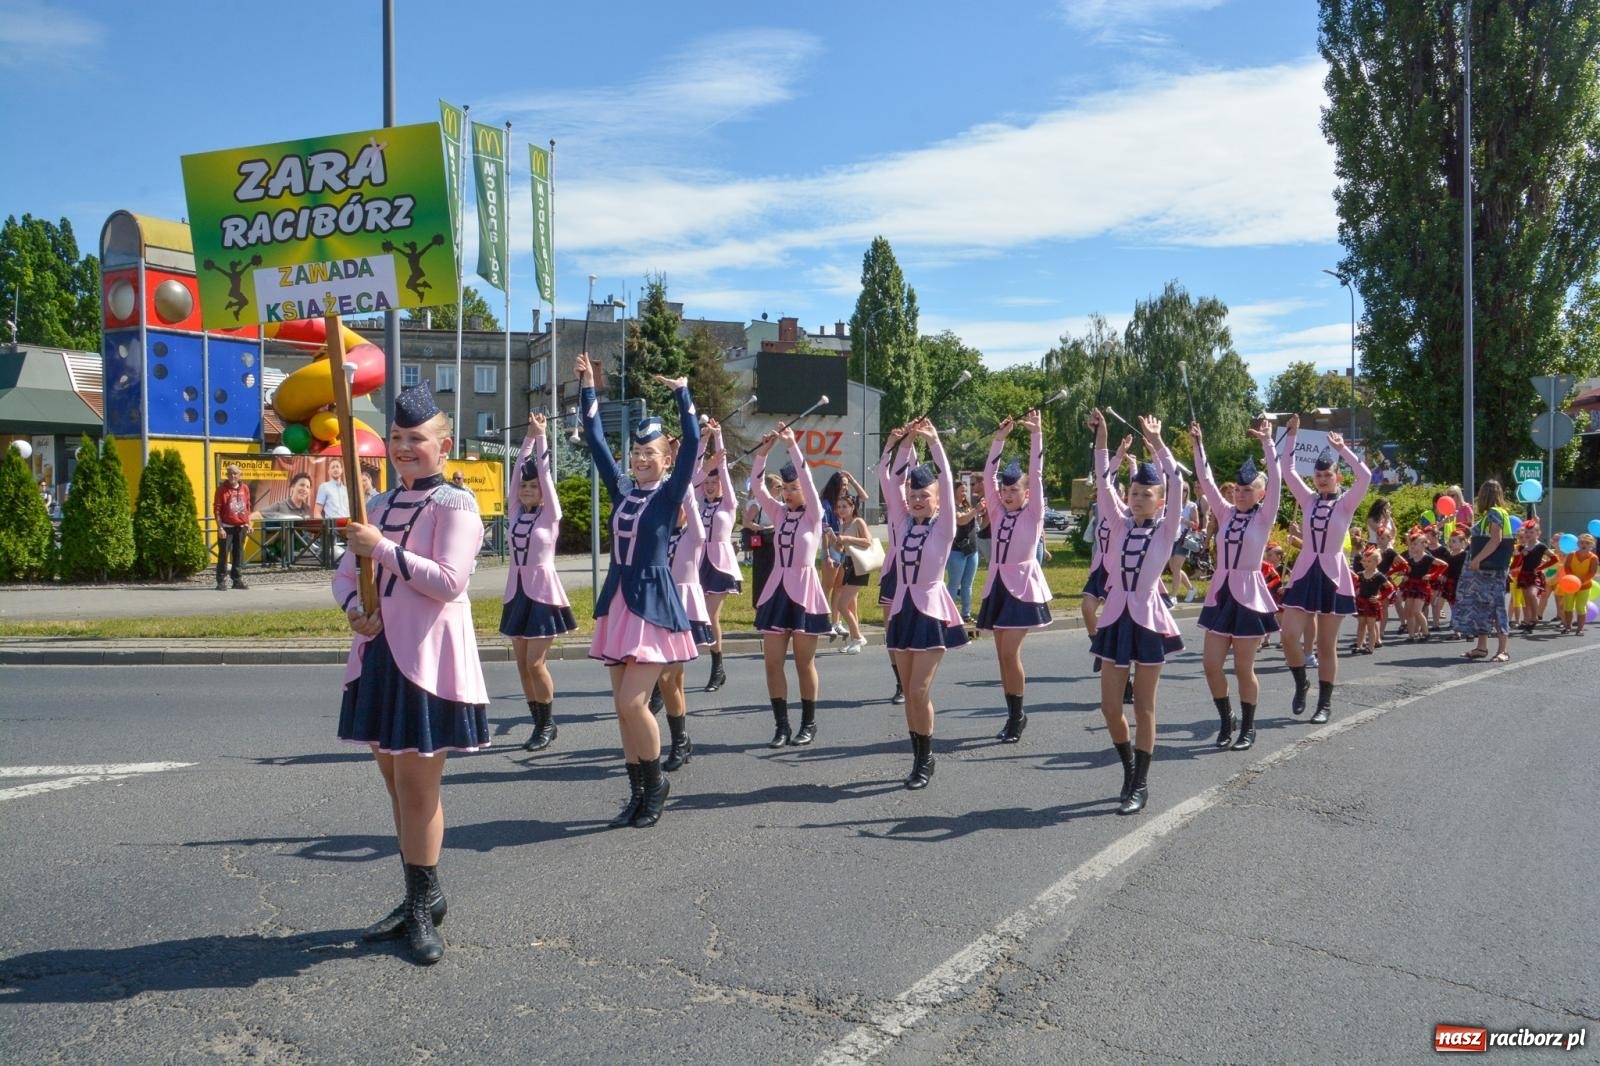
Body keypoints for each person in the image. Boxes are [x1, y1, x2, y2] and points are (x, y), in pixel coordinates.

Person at [336, 382, 488, 966]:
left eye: (416, 439)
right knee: (396, 785)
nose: (404, 448)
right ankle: (419, 894)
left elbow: (450, 581)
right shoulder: (375, 507)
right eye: (396, 438)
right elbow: (345, 575)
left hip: (427, 662)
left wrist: (382, 551)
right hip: (379, 656)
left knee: (419, 788)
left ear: (443, 445)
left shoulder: (456, 505)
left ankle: (423, 906)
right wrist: (352, 608)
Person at [576, 352, 700, 829]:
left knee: (634, 703)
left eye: (650, 453)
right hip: (618, 602)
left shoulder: (670, 494)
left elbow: (691, 441)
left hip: (652, 604)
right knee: (622, 710)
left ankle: (658, 784)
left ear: (665, 459)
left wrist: (683, 393)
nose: (640, 459)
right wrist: (590, 386)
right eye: (637, 452)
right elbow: (594, 439)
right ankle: (638, 791)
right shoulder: (623, 490)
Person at [1087, 409, 1182, 815]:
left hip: (1147, 622)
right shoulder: (1119, 523)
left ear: (1159, 501)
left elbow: (1177, 481)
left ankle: (1140, 783)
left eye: (1147, 494)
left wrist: (1158, 444)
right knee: (1111, 708)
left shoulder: (1166, 529)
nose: (1138, 498)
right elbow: (1101, 482)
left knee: (1143, 707)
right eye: (1134, 492)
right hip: (1114, 620)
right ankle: (1129, 768)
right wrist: (1103, 436)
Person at [879, 419, 968, 788]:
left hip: (931, 612)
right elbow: (887, 479)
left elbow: (947, 481)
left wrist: (933, 443)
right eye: (912, 496)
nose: (917, 501)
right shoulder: (901, 523)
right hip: (902, 612)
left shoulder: (944, 526)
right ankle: (918, 757)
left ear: (935, 499)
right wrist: (901, 442)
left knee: (918, 691)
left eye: (924, 496)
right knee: (909, 694)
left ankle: (927, 758)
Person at [1190, 417, 1280, 751]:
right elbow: (1206, 480)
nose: (1241, 494)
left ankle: (1249, 727)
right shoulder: (1225, 513)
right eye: (1239, 490)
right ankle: (1227, 720)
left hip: (1250, 597)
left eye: (1248, 490)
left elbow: (1278, 480)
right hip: (1221, 594)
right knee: (1211, 665)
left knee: (1244, 667)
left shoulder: (1264, 515)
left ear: (1260, 493)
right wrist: (1198, 445)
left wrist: (1268, 445)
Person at [1277, 417, 1371, 724]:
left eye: (1327, 475)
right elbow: (1288, 471)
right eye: (1318, 475)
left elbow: (1365, 476)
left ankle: (1325, 703)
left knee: (1327, 646)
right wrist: (1291, 436)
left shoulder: (1346, 504)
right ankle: (1301, 681)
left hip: (1333, 573)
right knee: (1288, 635)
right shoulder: (1307, 500)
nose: (1321, 479)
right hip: (1305, 570)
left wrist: (1343, 450)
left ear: (1336, 478)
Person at [750, 426, 832, 747]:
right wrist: (764, 451)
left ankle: (808, 723)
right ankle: (781, 725)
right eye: (785, 488)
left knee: (803, 663)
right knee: (772, 663)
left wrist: (793, 447)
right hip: (776, 590)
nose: (788, 493)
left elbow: (809, 484)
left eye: (793, 487)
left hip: (805, 590)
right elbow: (757, 487)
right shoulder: (779, 513)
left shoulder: (814, 513)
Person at [500, 412, 577, 753]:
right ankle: (538, 723)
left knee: (535, 662)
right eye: (525, 487)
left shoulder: (550, 515)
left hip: (543, 593)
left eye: (534, 488)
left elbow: (543, 473)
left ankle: (547, 724)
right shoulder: (516, 511)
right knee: (520, 663)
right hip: (516, 593)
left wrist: (543, 437)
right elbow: (518, 472)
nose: (528, 490)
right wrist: (528, 438)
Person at [976, 411, 1054, 743]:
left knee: (1010, 653)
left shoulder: (1033, 513)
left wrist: (1037, 436)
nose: (1007, 495)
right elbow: (987, 475)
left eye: (1013, 491)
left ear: (1025, 493)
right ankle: (1013, 716)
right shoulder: (996, 510)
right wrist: (999, 440)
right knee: (1000, 655)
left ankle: (1018, 714)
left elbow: (1036, 474)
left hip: (1023, 586)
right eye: (1004, 491)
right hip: (997, 586)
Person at [659, 432, 715, 772]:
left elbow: (690, 495)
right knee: (672, 679)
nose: (678, 508)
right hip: (661, 604)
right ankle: (682, 740)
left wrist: (684, 458)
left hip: (685, 606)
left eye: (682, 503)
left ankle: (679, 742)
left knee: (668, 677)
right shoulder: (663, 532)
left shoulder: (695, 535)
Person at [694, 419, 742, 692]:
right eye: (708, 482)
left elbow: (721, 467)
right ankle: (714, 666)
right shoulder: (699, 503)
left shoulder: (729, 505)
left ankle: (717, 667)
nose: (710, 485)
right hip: (698, 564)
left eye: (715, 482)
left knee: (711, 616)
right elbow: (694, 475)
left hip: (721, 566)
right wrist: (702, 442)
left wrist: (719, 436)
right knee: (699, 616)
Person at [1457, 480, 1513, 663]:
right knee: (1482, 606)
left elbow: (1495, 540)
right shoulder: (1498, 513)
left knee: (1496, 607)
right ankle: (1481, 647)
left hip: (1491, 570)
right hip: (1487, 571)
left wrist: (1477, 559)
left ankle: (1503, 650)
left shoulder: (1495, 513)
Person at [826, 488, 872, 653]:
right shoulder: (843, 524)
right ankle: (855, 640)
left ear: (852, 507)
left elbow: (868, 542)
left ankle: (858, 637)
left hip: (859, 566)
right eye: (839, 507)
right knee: (851, 606)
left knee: (842, 604)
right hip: (848, 565)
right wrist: (834, 539)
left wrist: (847, 538)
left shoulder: (858, 522)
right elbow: (840, 549)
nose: (841, 509)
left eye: (845, 506)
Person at [742, 473, 780, 612]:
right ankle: (760, 606)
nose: (780, 490)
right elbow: (747, 522)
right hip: (763, 542)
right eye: (778, 487)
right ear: (769, 488)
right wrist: (764, 528)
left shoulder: (778, 503)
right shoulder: (758, 503)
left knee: (774, 574)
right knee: (762, 575)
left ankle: (771, 605)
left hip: (774, 542)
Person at [213, 462, 251, 591]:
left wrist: (248, 523)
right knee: (223, 554)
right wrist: (220, 527)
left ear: (240, 475)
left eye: (235, 473)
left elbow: (247, 507)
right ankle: (221, 581)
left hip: (241, 527)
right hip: (226, 527)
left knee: (238, 554)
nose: (232, 476)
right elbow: (217, 510)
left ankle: (237, 580)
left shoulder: (245, 488)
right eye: (230, 473)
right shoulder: (221, 490)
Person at [946, 480, 980, 624]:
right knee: (954, 583)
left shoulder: (967, 506)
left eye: (965, 491)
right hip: (956, 550)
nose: (964, 493)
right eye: (961, 490)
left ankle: (966, 614)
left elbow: (974, 522)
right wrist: (976, 511)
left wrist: (978, 511)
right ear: (953, 492)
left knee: (968, 584)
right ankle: (950, 615)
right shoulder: (950, 507)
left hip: (972, 549)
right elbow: (960, 521)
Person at [1557, 533, 1596, 635]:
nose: (1584, 545)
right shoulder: (1572, 554)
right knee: (1568, 606)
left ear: (1592, 545)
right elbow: (1567, 567)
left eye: (1587, 543)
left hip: (1584, 586)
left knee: (1580, 607)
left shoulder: (1593, 558)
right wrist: (1573, 578)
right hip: (1570, 585)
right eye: (1582, 542)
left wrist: (1581, 580)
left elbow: (1592, 572)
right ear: (1578, 544)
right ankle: (1568, 626)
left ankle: (1580, 628)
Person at [1352, 549, 1387, 654]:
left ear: (1377, 562)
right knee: (1361, 624)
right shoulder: (1361, 574)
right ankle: (1359, 645)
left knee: (1371, 625)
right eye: (1364, 561)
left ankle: (1371, 647)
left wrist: (1379, 597)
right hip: (1362, 601)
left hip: (1372, 603)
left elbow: (1390, 588)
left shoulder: (1379, 576)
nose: (1366, 563)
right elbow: (1357, 586)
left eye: (1369, 561)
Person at [1168, 484, 1199, 602]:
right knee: (1174, 568)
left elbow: (1196, 524)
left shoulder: (1191, 506)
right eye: (1179, 490)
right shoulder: (1172, 505)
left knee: (1176, 567)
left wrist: (1183, 520)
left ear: (1187, 492)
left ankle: (1173, 596)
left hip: (1185, 538)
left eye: (1184, 490)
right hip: (1172, 538)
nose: (1182, 492)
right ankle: (1191, 589)